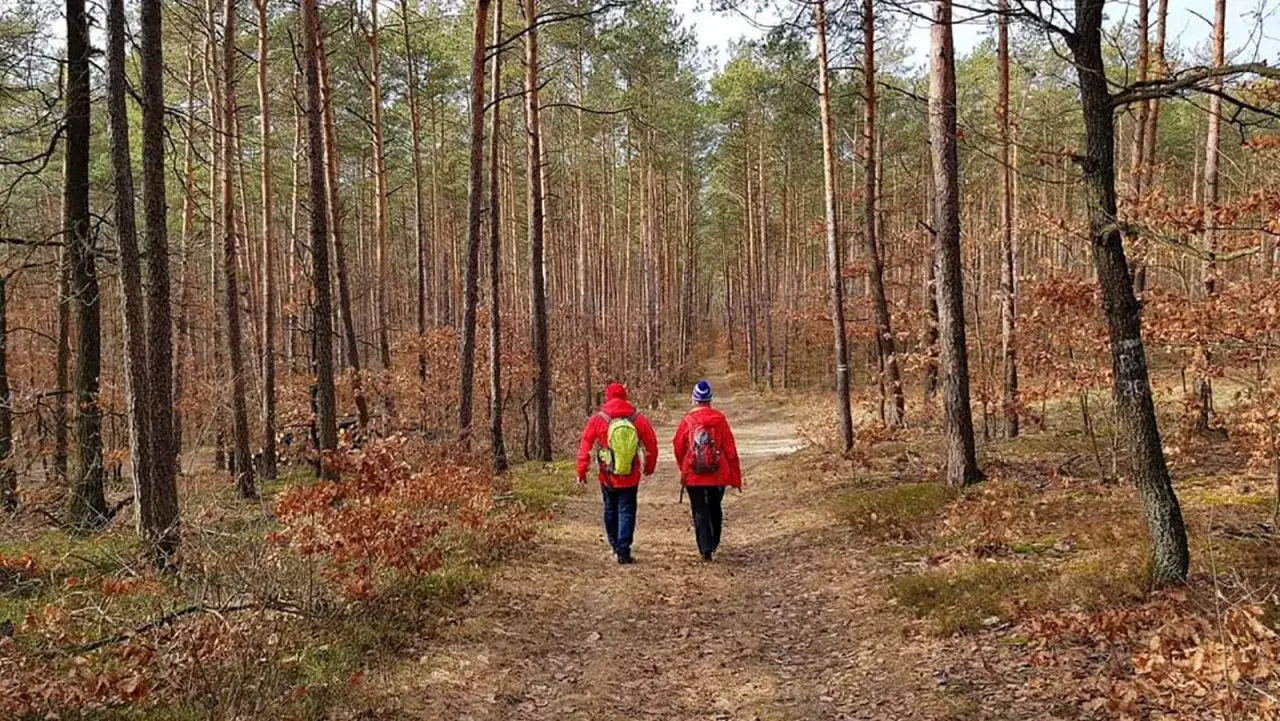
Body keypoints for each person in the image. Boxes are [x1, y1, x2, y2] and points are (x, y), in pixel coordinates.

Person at [576, 382, 658, 564]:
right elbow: (651, 444)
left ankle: (614, 544)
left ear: (608, 397)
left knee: (610, 508)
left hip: (607, 475)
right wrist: (649, 466)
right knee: (627, 510)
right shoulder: (637, 418)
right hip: (630, 474)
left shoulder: (599, 419)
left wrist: (581, 470)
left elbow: (585, 445)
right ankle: (624, 549)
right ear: (625, 396)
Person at [672, 380, 741, 562]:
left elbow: (678, 446)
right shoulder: (719, 420)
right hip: (718, 473)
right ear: (710, 400)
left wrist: (684, 467)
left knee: (699, 509)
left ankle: (705, 548)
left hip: (694, 474)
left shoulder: (687, 420)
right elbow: (730, 449)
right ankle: (714, 541)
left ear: (694, 400)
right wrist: (735, 475)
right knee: (714, 506)